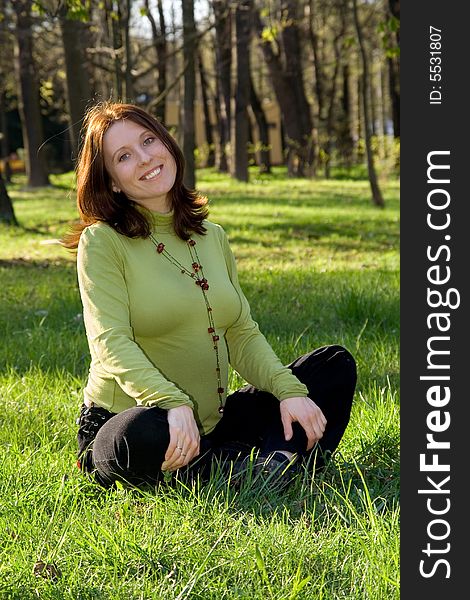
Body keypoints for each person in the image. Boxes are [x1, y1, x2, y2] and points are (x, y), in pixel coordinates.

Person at [62, 101, 356, 490]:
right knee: (134, 437)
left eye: (149, 140)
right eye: (124, 156)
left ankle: (254, 466)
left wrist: (289, 392)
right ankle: (259, 463)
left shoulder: (211, 236)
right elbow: (109, 343)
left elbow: (240, 332)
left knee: (331, 366)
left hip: (208, 423)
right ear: (112, 180)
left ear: (166, 143)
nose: (146, 158)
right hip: (136, 419)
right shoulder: (102, 242)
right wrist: (171, 402)